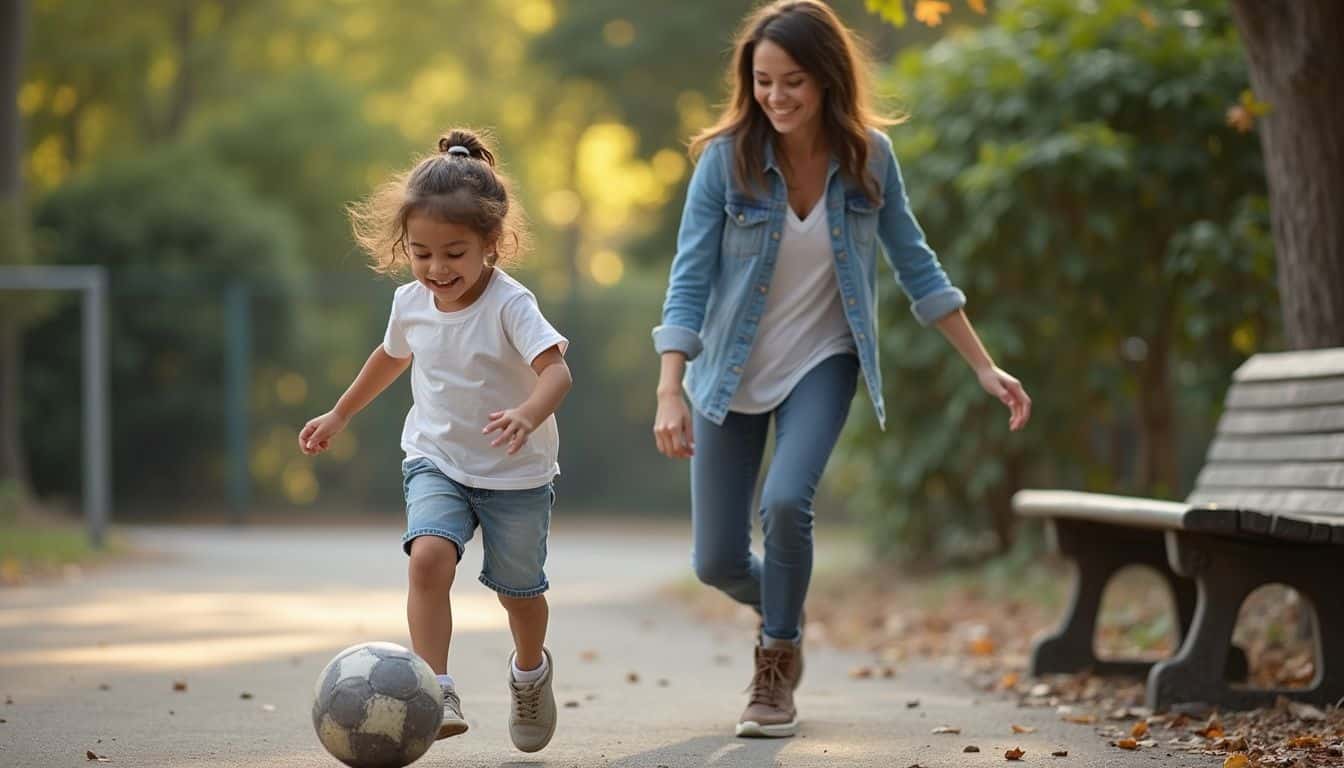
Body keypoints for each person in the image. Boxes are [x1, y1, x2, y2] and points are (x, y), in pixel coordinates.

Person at [651, 0, 1031, 739]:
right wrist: (670, 385)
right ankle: (784, 604)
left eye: (793, 81)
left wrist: (984, 367)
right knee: (716, 561)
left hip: (822, 362)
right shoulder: (723, 160)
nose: (777, 97)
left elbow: (918, 267)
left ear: (826, 78)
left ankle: (776, 664)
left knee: (789, 503)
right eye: (763, 82)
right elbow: (689, 278)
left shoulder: (869, 159)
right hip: (725, 375)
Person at [299, 128, 572, 754]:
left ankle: (529, 671)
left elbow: (556, 371)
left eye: (454, 253)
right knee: (427, 559)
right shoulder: (410, 302)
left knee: (519, 593)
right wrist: (340, 414)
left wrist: (529, 414)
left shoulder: (512, 304)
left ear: (491, 244)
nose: (436, 269)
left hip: (516, 471)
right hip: (437, 459)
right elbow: (391, 358)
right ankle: (435, 686)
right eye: (421, 253)